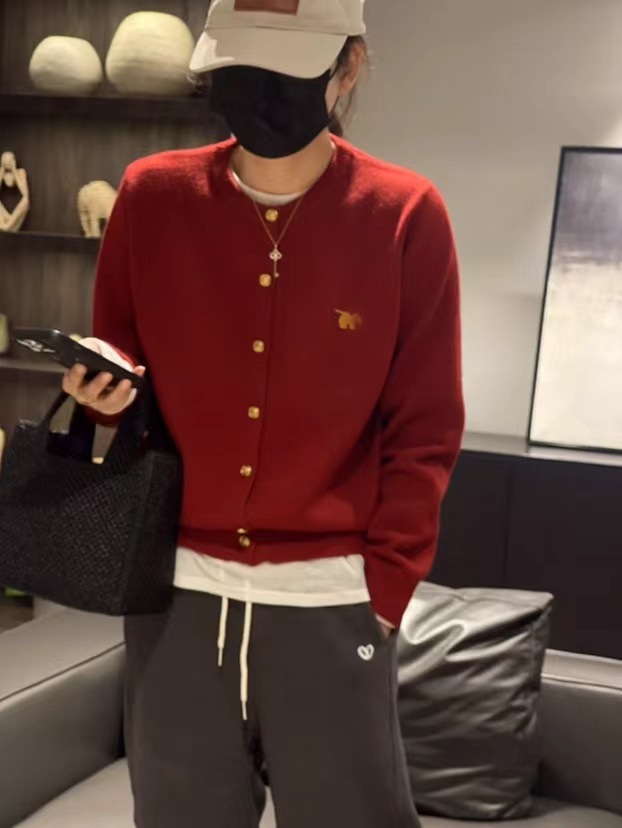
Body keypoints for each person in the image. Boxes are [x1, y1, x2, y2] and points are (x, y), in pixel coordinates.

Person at [62, 1, 465, 826]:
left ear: (347, 67)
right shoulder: (152, 195)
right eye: (239, 70)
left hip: (334, 603)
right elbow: (126, 374)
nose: (258, 95)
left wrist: (385, 589)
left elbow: (425, 427)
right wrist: (102, 400)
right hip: (174, 596)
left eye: (285, 71)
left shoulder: (402, 215)